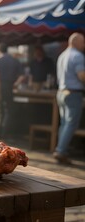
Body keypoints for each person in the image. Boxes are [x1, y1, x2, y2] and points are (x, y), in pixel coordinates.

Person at [53, 33, 85, 164]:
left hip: (61, 92)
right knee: (71, 124)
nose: (84, 45)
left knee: (65, 123)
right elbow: (82, 76)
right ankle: (61, 151)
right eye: (83, 42)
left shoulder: (62, 55)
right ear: (76, 42)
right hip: (73, 93)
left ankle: (61, 149)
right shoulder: (77, 56)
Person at [0, 43, 25, 139]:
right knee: (9, 111)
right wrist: (15, 84)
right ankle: (5, 133)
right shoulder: (14, 60)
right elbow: (22, 76)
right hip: (9, 86)